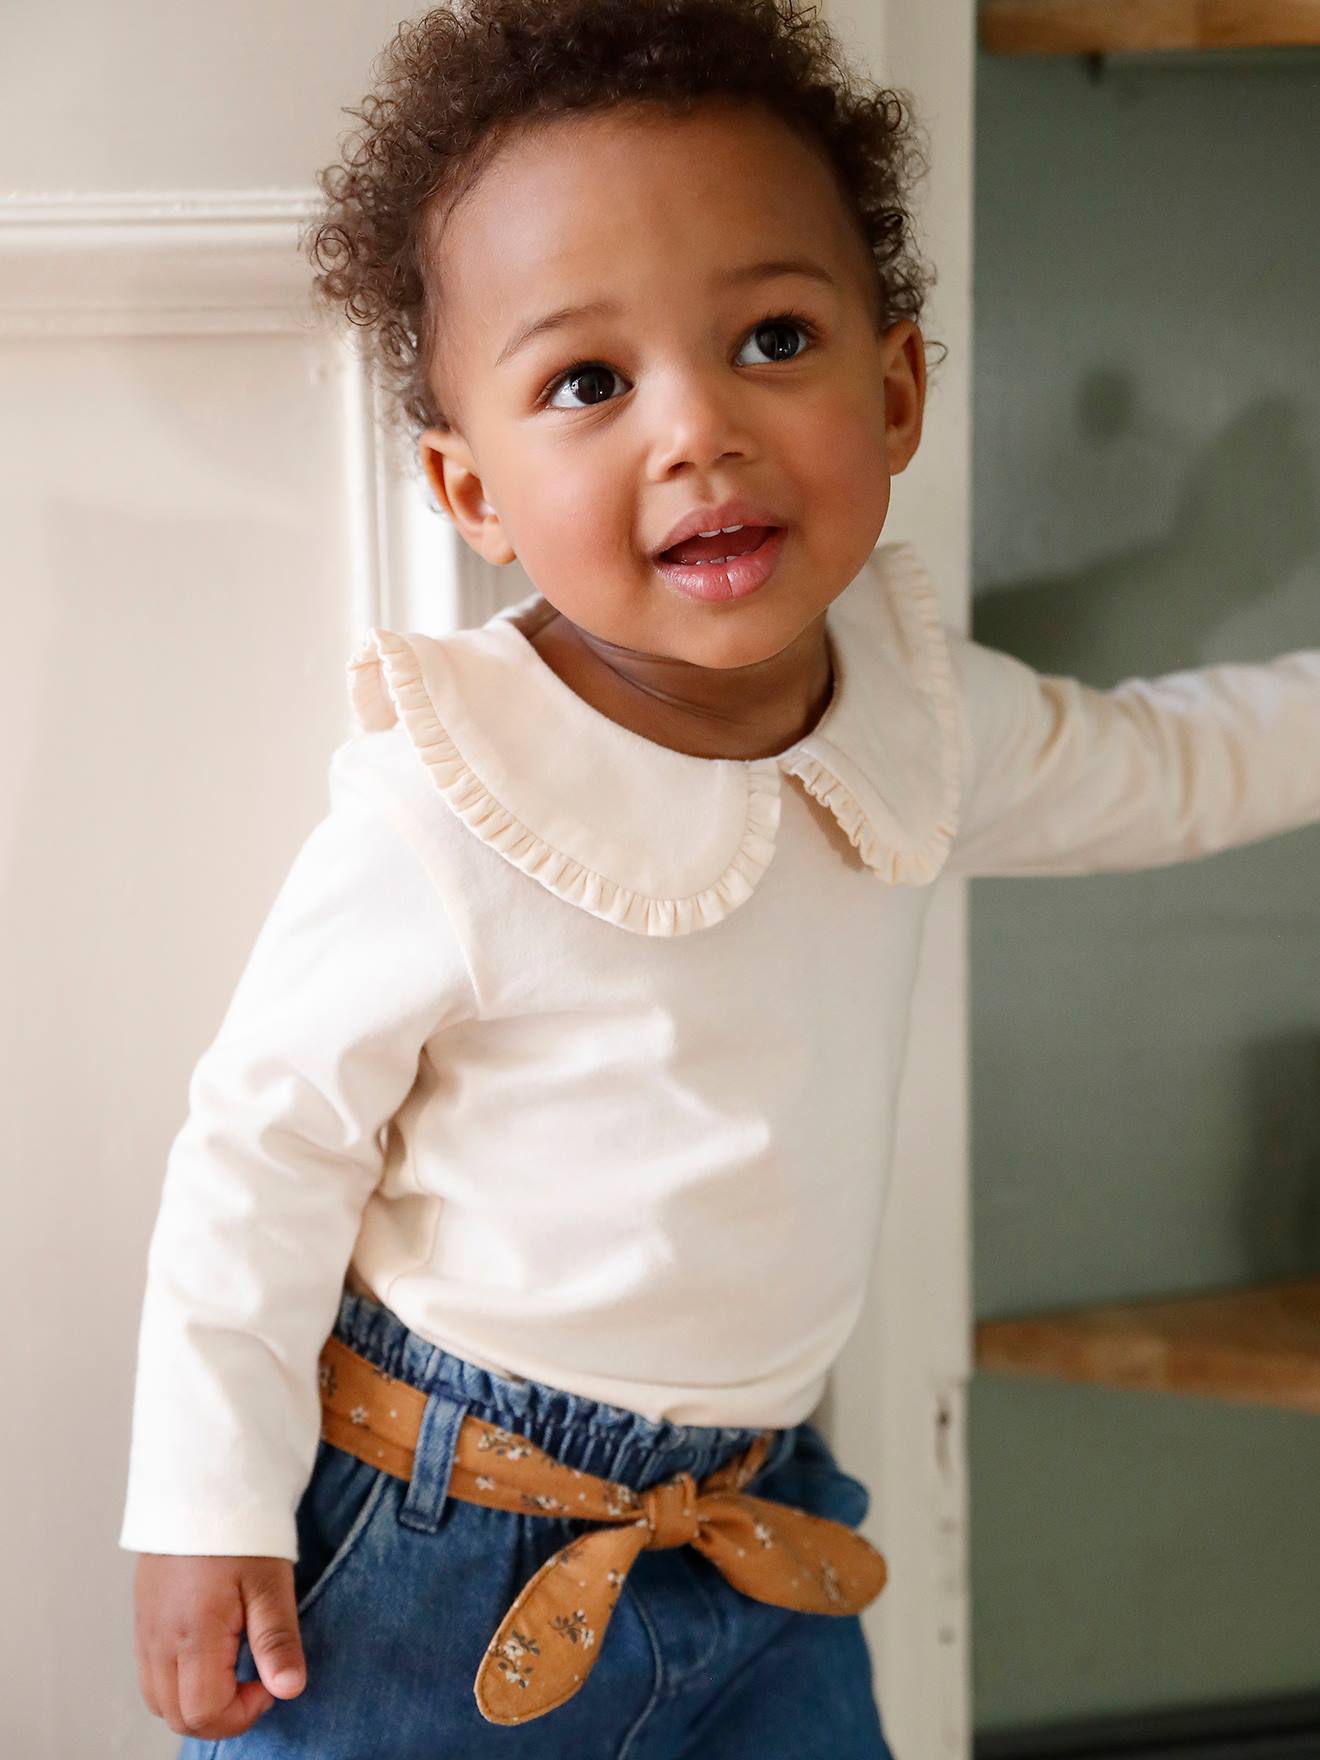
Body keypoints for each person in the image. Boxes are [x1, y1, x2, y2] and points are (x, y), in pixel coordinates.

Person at [120, 0, 1320, 1754]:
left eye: (771, 337)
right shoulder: (454, 801)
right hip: (437, 1560)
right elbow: (264, 1150)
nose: (696, 429)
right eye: (588, 384)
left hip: (761, 1522)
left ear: (894, 390)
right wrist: (203, 1498)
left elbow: (1165, 762)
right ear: (475, 488)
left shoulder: (917, 718)